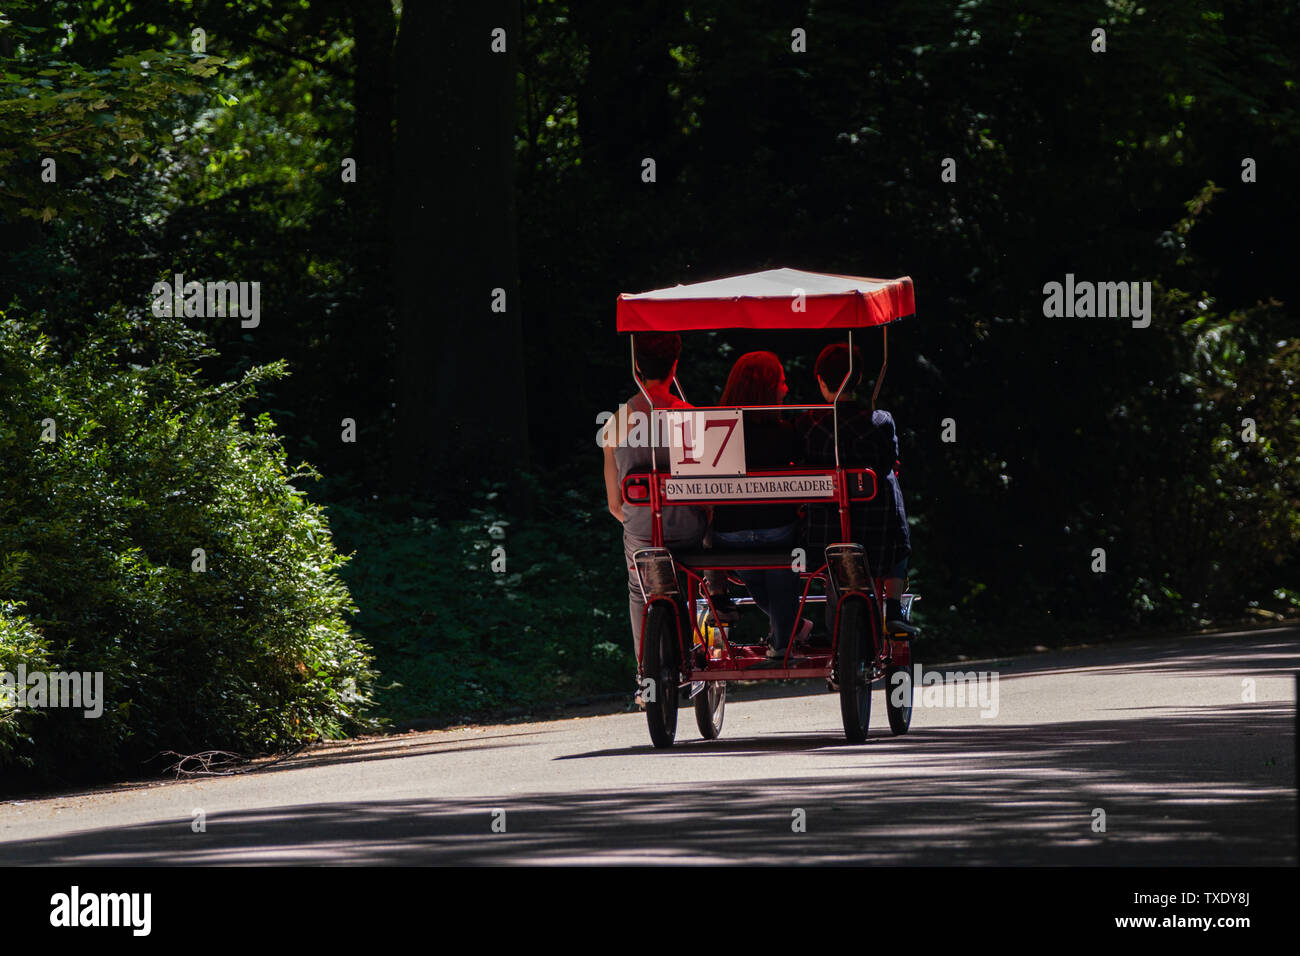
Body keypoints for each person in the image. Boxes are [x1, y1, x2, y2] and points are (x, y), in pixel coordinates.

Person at [601, 333, 708, 704]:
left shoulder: (615, 425)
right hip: (689, 530)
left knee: (637, 588)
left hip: (643, 532)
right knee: (692, 579)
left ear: (637, 369)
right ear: (675, 366)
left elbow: (615, 504)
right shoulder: (692, 418)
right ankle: (697, 635)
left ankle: (644, 673)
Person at [798, 343, 917, 636]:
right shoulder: (881, 421)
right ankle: (892, 603)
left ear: (820, 380)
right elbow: (890, 461)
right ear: (860, 377)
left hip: (823, 535)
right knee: (889, 482)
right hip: (878, 536)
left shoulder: (807, 424)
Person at [710, 351, 813, 660]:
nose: (785, 389)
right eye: (781, 382)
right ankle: (783, 643)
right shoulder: (787, 433)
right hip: (779, 532)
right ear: (768, 390)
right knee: (782, 572)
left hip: (730, 537)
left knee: (762, 581)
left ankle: (790, 633)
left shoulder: (715, 433)